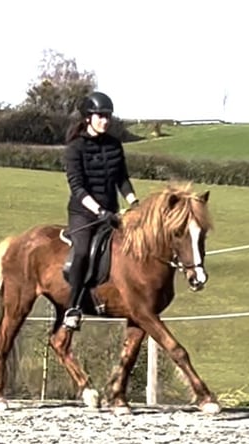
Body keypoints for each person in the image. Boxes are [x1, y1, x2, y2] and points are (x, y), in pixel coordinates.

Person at [62, 91, 139, 330]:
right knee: (83, 252)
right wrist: (98, 211)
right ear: (88, 118)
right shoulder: (75, 148)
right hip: (83, 214)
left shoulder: (114, 145)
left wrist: (134, 202)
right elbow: (77, 187)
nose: (105, 121)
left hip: (112, 212)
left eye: (108, 117)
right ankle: (73, 308)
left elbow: (122, 179)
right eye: (100, 116)